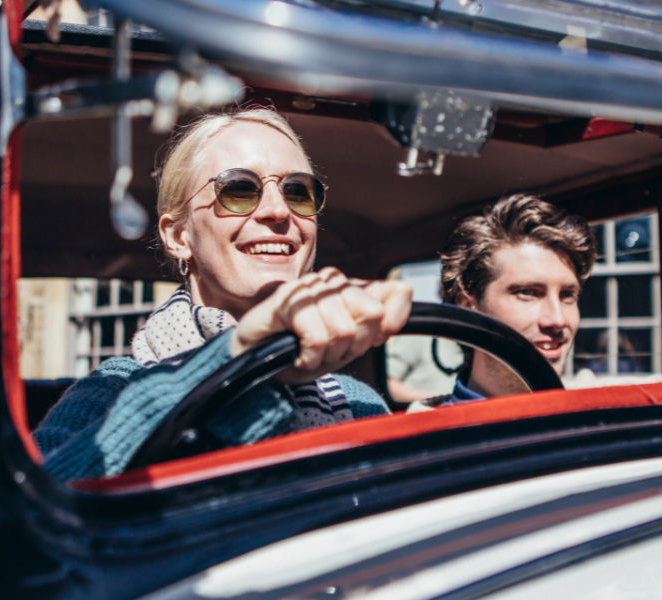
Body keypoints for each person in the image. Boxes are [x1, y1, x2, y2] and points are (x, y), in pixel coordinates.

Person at [33, 109, 412, 481]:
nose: (279, 210)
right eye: (239, 189)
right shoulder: (110, 393)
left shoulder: (356, 403)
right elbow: (28, 517)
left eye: (298, 191)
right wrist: (238, 360)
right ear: (178, 236)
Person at [408, 135, 662, 412]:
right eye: (527, 293)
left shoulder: (618, 402)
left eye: (568, 295)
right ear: (468, 305)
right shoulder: (413, 432)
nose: (558, 321)